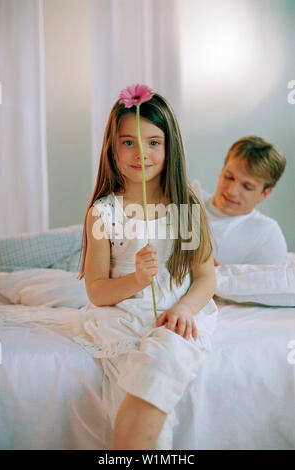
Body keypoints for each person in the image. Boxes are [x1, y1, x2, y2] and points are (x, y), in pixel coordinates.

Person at [73, 91, 218, 450]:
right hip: (123, 317)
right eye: (129, 142)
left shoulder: (186, 205)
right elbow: (97, 291)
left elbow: (205, 277)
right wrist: (136, 280)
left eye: (154, 142)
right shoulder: (103, 213)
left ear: (170, 147)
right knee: (130, 381)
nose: (142, 153)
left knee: (163, 357)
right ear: (112, 147)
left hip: (175, 317)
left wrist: (184, 308)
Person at [191, 136, 288, 266]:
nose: (232, 191)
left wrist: (212, 273)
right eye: (229, 177)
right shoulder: (188, 200)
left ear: (264, 194)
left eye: (247, 187)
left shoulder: (266, 235)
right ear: (221, 171)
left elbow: (265, 285)